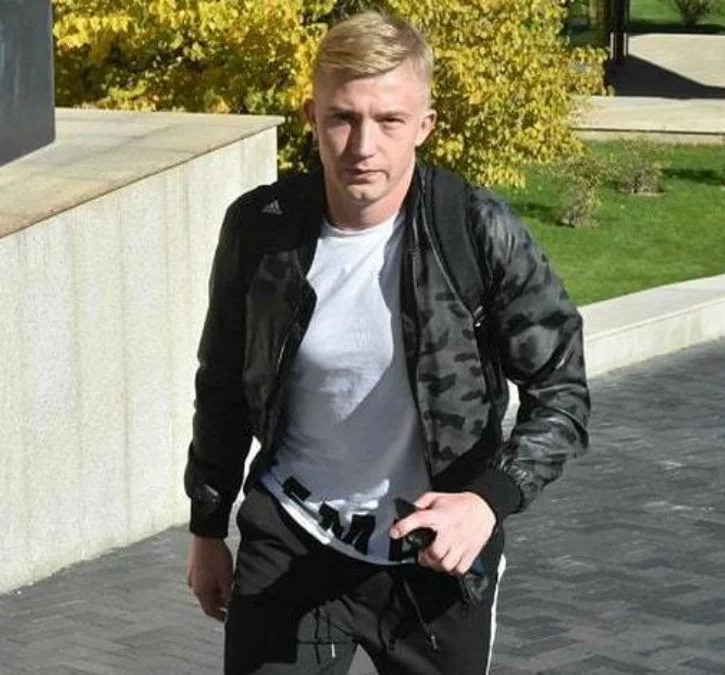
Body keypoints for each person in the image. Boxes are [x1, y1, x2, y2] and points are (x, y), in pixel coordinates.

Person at [184, 10, 590, 674]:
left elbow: (562, 392)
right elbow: (222, 383)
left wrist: (486, 501)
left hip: (434, 557)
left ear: (424, 125)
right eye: (342, 118)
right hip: (292, 538)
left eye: (390, 120)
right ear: (312, 118)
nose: (363, 145)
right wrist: (207, 527)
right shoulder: (262, 230)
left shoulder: (474, 230)